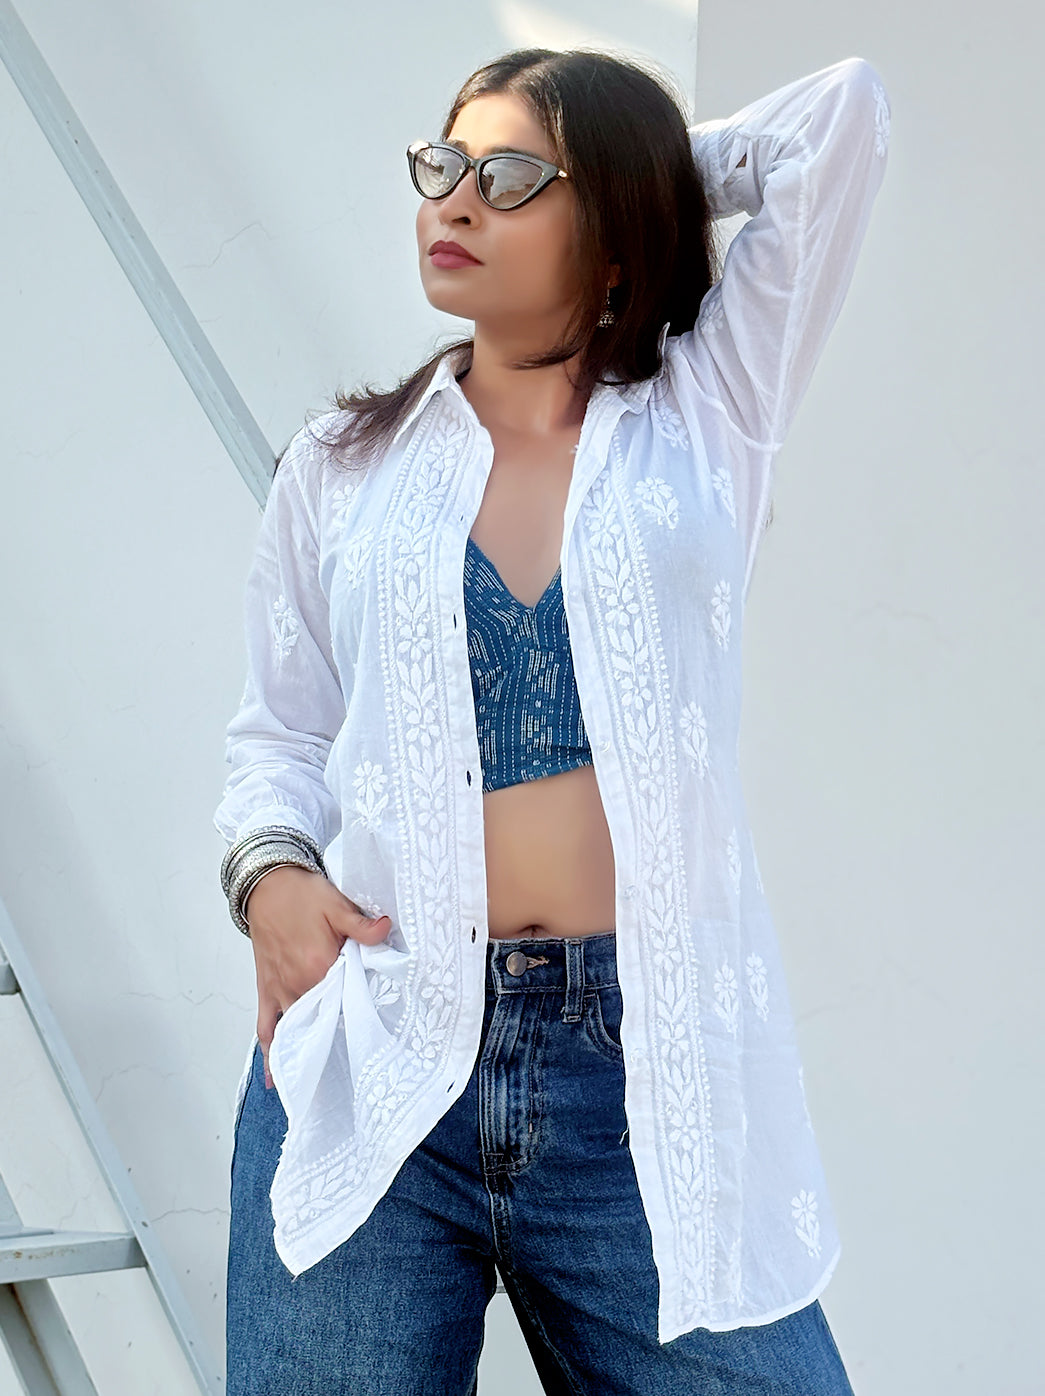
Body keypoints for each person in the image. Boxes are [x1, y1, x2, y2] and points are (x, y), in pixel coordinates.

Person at [214, 44, 889, 1395]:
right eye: (444, 166)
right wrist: (268, 876)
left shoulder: (709, 413)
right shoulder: (341, 467)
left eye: (514, 177)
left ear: (615, 228)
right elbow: (277, 735)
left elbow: (839, 122)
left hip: (639, 1080)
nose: (456, 202)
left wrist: (646, 174)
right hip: (382, 1046)